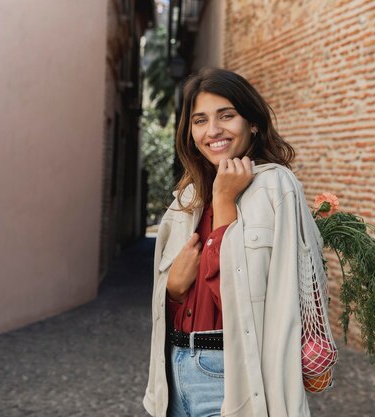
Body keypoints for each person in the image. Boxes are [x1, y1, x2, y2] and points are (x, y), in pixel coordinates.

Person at [144, 67, 329, 417]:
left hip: (231, 375)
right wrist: (173, 289)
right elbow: (166, 305)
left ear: (252, 123)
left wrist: (226, 204)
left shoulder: (276, 188)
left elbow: (239, 300)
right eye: (200, 120)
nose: (212, 130)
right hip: (175, 371)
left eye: (226, 116)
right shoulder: (186, 198)